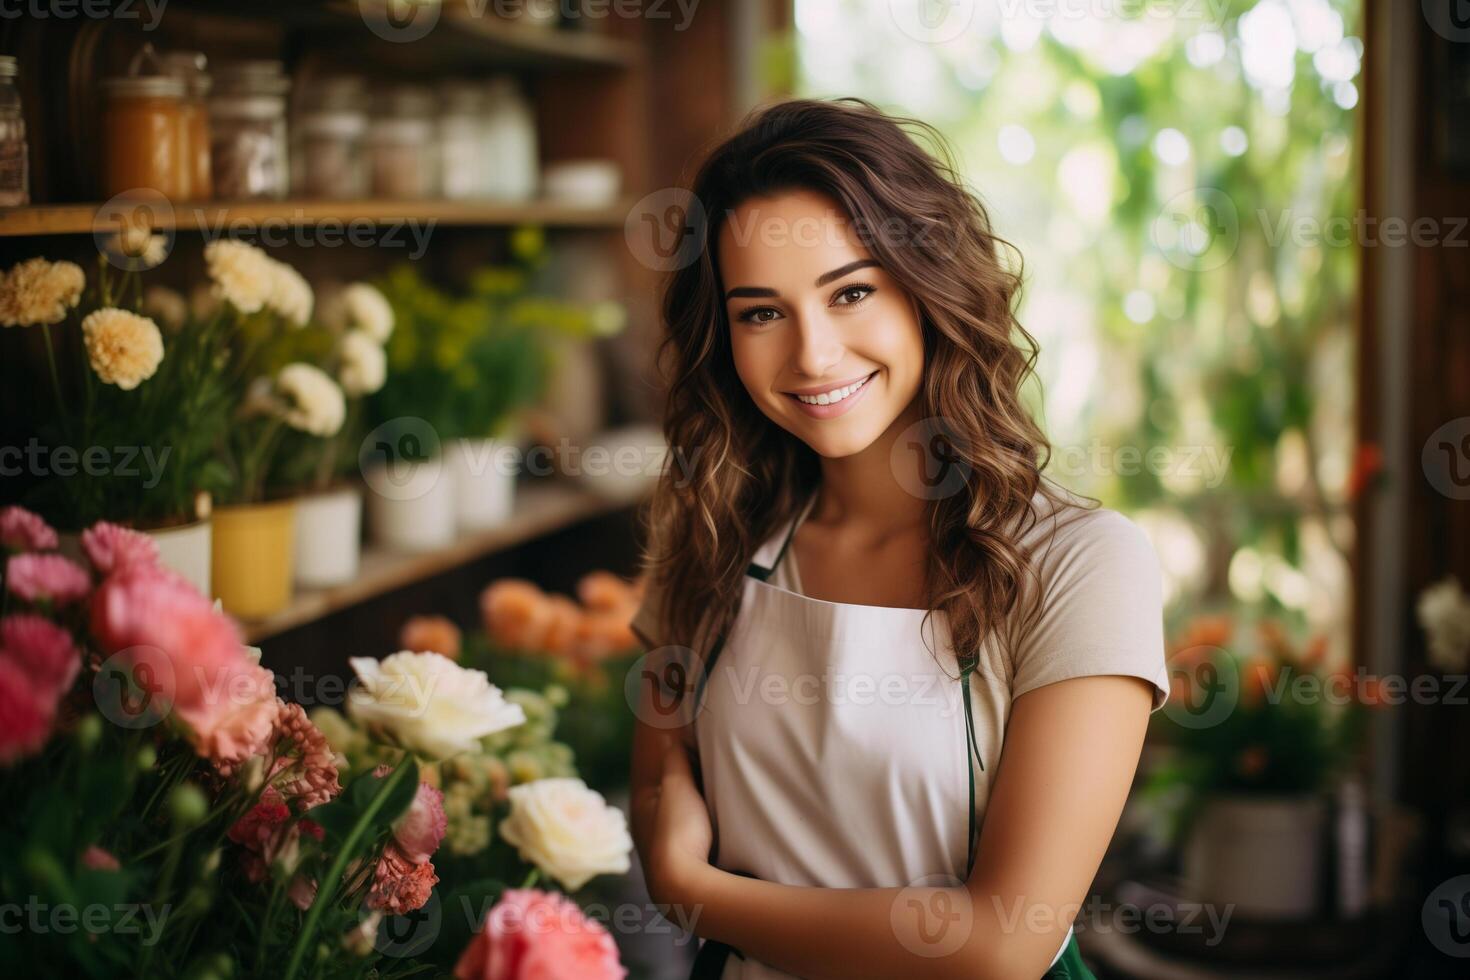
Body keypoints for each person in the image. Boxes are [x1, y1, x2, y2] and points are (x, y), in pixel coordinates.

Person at [627, 97, 1169, 980]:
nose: (812, 355)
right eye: (761, 312)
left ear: (928, 286)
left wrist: (699, 892)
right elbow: (658, 785)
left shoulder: (1082, 563)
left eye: (851, 292)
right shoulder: (714, 529)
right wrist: (677, 870)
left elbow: (1004, 942)